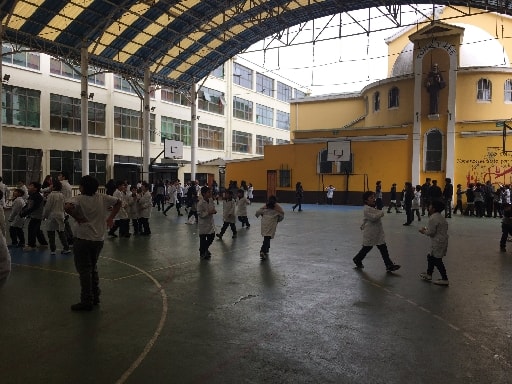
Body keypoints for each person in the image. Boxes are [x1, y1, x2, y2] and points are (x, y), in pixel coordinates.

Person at [65, 175, 121, 311]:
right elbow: (118, 202)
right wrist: (110, 218)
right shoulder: (103, 198)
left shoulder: (78, 198)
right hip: (98, 239)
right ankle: (95, 295)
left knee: (84, 270)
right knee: (93, 267)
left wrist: (77, 217)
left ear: (82, 187)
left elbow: (67, 207)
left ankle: (86, 300)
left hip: (82, 238)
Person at [352, 191, 401, 272]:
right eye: (371, 198)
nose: (373, 199)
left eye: (373, 197)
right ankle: (357, 259)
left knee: (383, 248)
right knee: (367, 248)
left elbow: (368, 218)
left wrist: (379, 211)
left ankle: (389, 265)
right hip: (371, 233)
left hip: (378, 233)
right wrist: (381, 213)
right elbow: (373, 218)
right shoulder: (366, 209)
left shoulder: (373, 207)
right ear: (366, 200)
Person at [419, 200, 449, 286]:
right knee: (431, 256)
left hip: (438, 242)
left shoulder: (433, 218)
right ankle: (429, 274)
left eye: (430, 206)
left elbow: (430, 232)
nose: (429, 207)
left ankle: (445, 279)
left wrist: (422, 231)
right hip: (440, 241)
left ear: (434, 208)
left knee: (437, 260)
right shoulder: (439, 217)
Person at [42, 180, 70, 255]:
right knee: (61, 232)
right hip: (61, 215)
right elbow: (64, 206)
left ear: (54, 187)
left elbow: (47, 208)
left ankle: (53, 250)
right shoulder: (62, 195)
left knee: (51, 233)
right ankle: (66, 248)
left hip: (52, 216)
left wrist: (44, 216)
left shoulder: (51, 195)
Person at [20, 181, 49, 251]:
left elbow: (34, 207)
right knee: (37, 230)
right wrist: (23, 209)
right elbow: (28, 204)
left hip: (37, 216)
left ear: (35, 188)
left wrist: (24, 213)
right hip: (33, 216)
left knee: (31, 229)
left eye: (31, 186)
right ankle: (43, 243)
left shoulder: (38, 196)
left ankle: (31, 245)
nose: (29, 187)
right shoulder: (31, 195)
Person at [255, 195, 284, 261]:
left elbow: (257, 213)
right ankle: (262, 251)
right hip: (272, 224)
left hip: (264, 223)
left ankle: (267, 248)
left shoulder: (265, 207)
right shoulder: (277, 208)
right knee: (267, 237)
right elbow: (282, 216)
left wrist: (262, 215)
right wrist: (277, 220)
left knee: (267, 236)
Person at [197, 186, 217, 260]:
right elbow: (199, 214)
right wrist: (208, 212)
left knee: (211, 236)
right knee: (202, 239)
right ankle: (202, 253)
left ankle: (204, 249)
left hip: (210, 222)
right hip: (203, 224)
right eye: (209, 192)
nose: (210, 193)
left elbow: (213, 207)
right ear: (204, 194)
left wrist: (214, 210)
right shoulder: (200, 203)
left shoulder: (211, 200)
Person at [58, 171, 74, 245]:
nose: (58, 177)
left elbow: (51, 189)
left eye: (60, 175)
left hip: (62, 206)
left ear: (63, 177)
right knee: (66, 224)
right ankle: (71, 239)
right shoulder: (68, 185)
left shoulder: (61, 184)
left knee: (62, 226)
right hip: (68, 205)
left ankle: (68, 240)